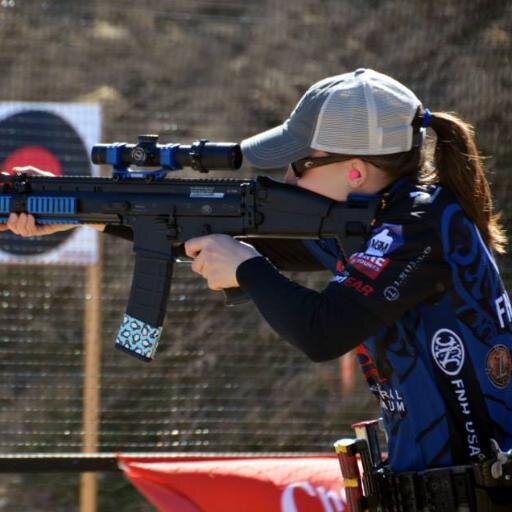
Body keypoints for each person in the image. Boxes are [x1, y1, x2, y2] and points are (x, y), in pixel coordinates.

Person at [4, 68, 512, 509]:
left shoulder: (415, 229)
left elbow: (322, 331)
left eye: (299, 164)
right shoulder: (388, 217)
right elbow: (232, 240)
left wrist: (247, 269)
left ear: (354, 171)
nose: (285, 176)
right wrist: (85, 214)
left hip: (476, 494)